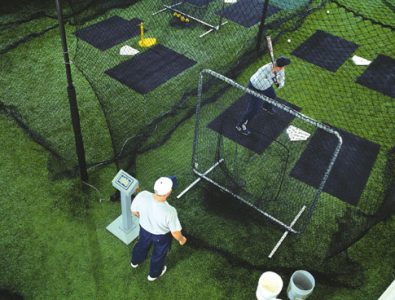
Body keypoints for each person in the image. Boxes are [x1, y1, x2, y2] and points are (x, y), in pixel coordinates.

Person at [130, 176, 187, 281]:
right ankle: (153, 274)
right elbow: (175, 232)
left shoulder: (143, 195)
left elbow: (134, 211)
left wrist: (145, 218)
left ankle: (135, 261)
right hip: (161, 237)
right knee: (159, 254)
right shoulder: (170, 211)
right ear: (168, 192)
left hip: (144, 230)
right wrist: (182, 239)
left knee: (141, 244)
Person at [236, 56, 291, 136]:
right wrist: (272, 78)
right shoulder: (265, 68)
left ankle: (266, 107)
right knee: (254, 110)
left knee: (272, 95)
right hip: (255, 87)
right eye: (284, 66)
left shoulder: (280, 69)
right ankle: (240, 125)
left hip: (266, 86)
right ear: (281, 65)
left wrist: (278, 83)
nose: (284, 68)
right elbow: (258, 84)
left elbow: (281, 82)